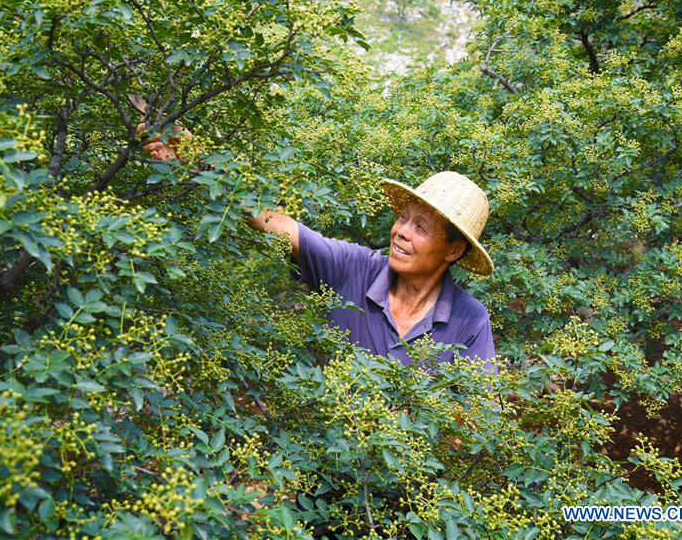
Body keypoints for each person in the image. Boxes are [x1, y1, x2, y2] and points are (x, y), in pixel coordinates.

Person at [140, 124, 497, 375]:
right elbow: (272, 222)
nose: (400, 233)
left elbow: (477, 424)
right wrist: (197, 158)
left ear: (453, 251)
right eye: (402, 219)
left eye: (420, 228)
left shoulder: (470, 319)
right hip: (325, 474)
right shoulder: (354, 269)